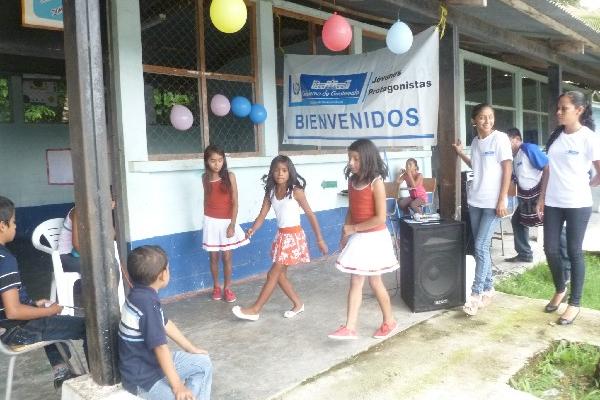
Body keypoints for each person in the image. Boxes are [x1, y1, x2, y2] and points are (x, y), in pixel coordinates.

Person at [0, 195, 87, 389]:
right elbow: (14, 311)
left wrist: (33, 304)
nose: (15, 227)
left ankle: (61, 370)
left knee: (49, 319)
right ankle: (95, 382)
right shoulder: (5, 260)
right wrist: (49, 311)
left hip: (5, 328)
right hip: (16, 331)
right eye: (13, 222)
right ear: (2, 226)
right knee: (88, 326)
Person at [232, 155, 328, 321]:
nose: (280, 174)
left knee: (272, 274)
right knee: (280, 276)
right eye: (276, 170)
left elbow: (310, 215)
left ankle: (255, 309)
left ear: (290, 172)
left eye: (284, 170)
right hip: (282, 236)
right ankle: (298, 304)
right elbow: (262, 215)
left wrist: (319, 239)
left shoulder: (296, 191)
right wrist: (252, 229)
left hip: (294, 237)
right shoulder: (270, 192)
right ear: (271, 172)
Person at [536, 91, 600, 325]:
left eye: (564, 108)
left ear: (579, 110)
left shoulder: (589, 138)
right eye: (559, 108)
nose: (558, 112)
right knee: (550, 248)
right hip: (553, 201)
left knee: (574, 252)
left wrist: (589, 183)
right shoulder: (556, 136)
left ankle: (575, 303)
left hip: (577, 203)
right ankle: (560, 288)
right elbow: (548, 169)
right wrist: (541, 197)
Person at [118, 245, 213, 400]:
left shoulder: (140, 294)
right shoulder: (147, 303)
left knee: (202, 363)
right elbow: (160, 347)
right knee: (178, 393)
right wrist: (178, 386)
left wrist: (190, 348)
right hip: (143, 380)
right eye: (168, 268)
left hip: (150, 365)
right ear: (163, 275)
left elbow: (165, 323)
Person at [328, 139, 399, 340]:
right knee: (357, 280)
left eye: (356, 158)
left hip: (375, 238)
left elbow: (380, 218)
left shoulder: (376, 183)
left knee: (375, 282)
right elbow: (352, 209)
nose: (351, 162)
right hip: (358, 236)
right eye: (349, 158)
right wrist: (346, 233)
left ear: (367, 159)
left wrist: (354, 228)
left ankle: (389, 321)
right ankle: (350, 327)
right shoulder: (352, 181)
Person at [453, 103, 513, 316]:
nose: (487, 121)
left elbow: (507, 168)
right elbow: (476, 166)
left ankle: (476, 294)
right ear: (474, 121)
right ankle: (489, 287)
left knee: (479, 246)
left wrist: (502, 199)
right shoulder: (475, 142)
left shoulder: (501, 139)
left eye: (490, 117)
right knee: (483, 248)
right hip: (475, 201)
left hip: (493, 203)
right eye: (482, 117)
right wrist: (460, 153)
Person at [505, 128, 571, 276]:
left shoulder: (528, 148)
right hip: (525, 197)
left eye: (507, 141)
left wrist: (543, 196)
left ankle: (567, 268)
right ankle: (524, 254)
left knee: (555, 227)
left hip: (541, 194)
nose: (504, 145)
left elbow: (547, 167)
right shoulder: (514, 157)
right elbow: (516, 181)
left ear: (516, 139)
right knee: (517, 221)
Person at [202, 145, 249, 303]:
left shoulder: (230, 176)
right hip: (210, 221)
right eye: (213, 161)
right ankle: (216, 287)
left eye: (220, 160)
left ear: (224, 160)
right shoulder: (205, 178)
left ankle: (228, 288)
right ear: (207, 161)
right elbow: (206, 200)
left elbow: (235, 202)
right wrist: (206, 222)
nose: (217, 164)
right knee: (213, 257)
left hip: (227, 222)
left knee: (227, 257)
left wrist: (232, 224)